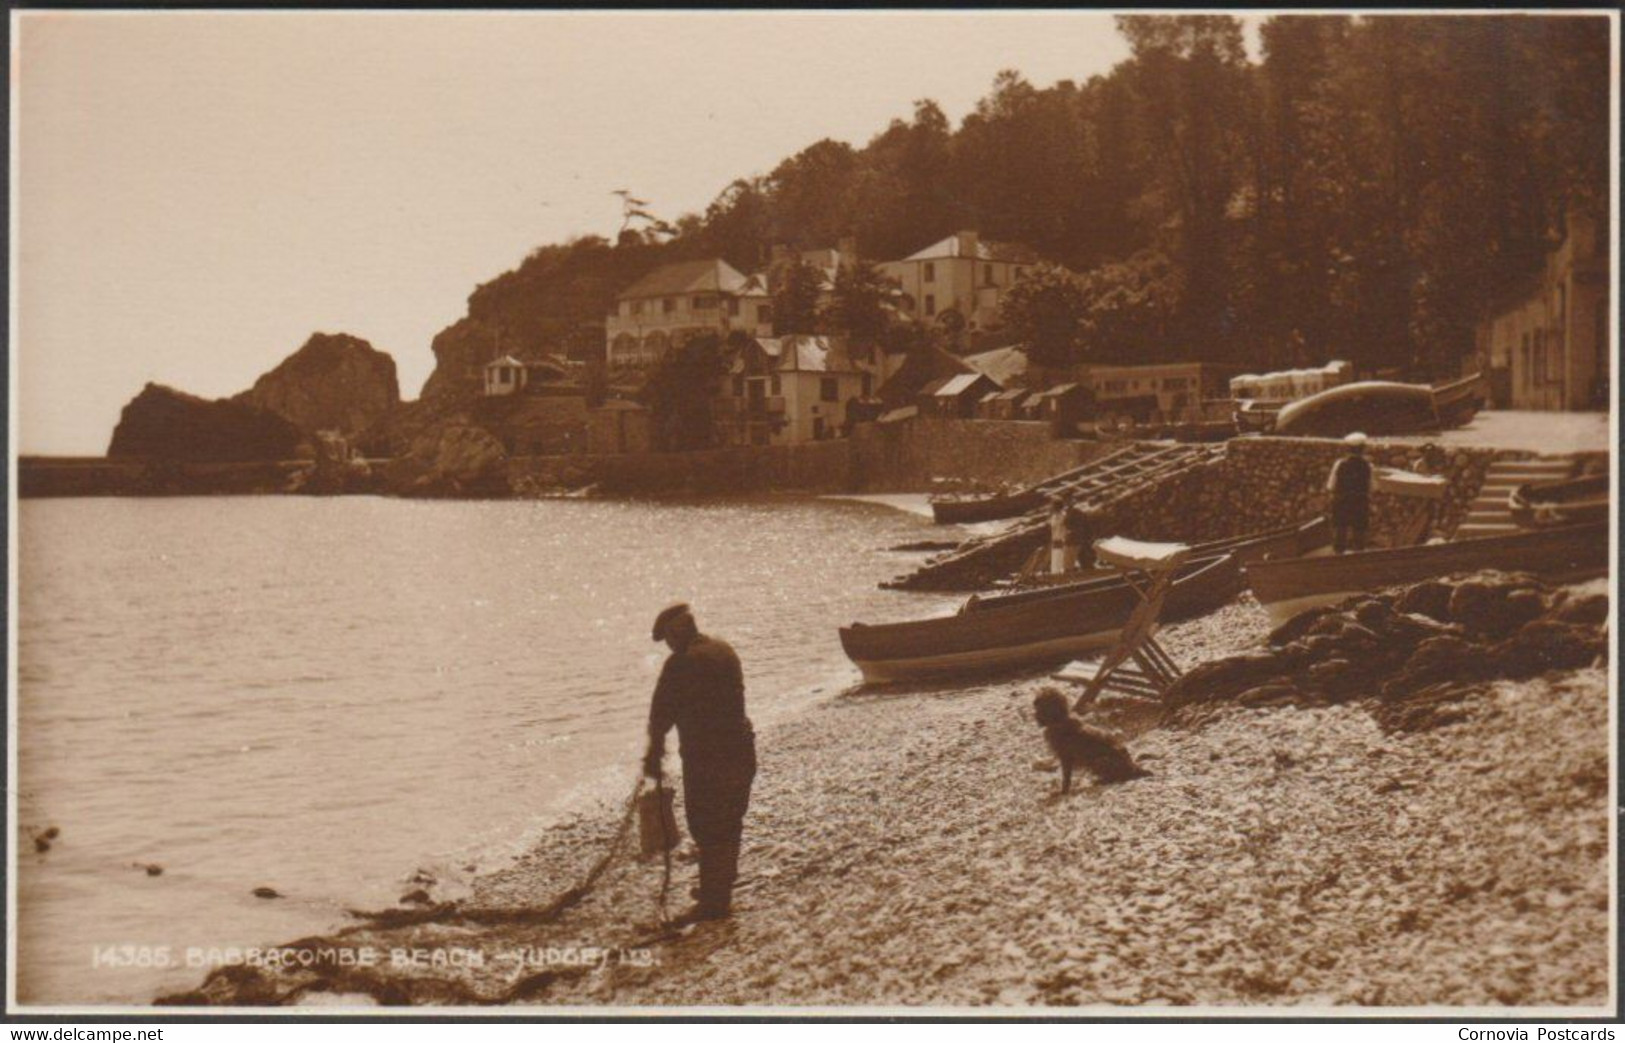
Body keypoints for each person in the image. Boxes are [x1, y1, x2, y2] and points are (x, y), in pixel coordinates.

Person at [643, 603, 756, 924]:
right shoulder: (724, 650)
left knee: (707, 826)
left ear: (675, 633)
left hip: (708, 758)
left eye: (666, 637)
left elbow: (660, 717)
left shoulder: (680, 664)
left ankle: (713, 902)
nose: (667, 645)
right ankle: (718, 889)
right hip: (742, 750)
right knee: (730, 820)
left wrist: (653, 758)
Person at [1326, 431, 1373, 554]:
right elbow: (1372, 486)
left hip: (1342, 500)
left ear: (1348, 448)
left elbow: (1331, 485)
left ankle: (1338, 556)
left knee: (1340, 529)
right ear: (1363, 449)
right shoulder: (1367, 465)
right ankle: (1358, 555)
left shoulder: (1340, 464)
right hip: (1359, 501)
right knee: (1359, 530)